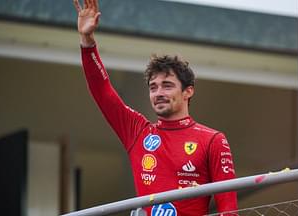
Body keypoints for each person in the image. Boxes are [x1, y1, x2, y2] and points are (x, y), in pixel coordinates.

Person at [73, 0, 238, 215]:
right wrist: (87, 41)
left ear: (188, 91)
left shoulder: (213, 140)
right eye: (153, 87)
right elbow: (102, 91)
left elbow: (229, 208)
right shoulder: (138, 132)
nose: (158, 92)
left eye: (167, 86)